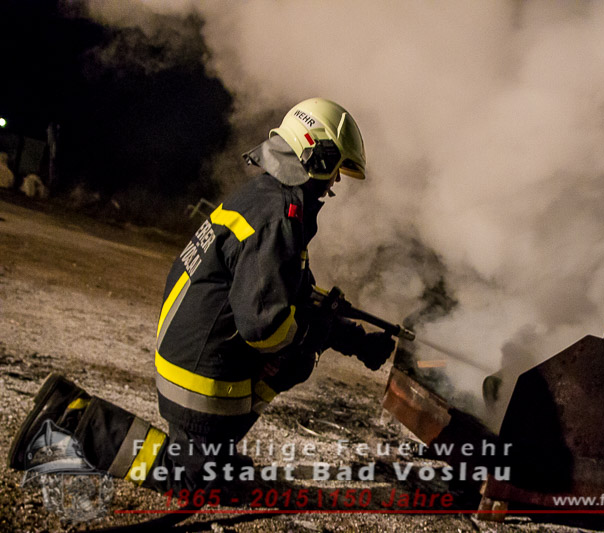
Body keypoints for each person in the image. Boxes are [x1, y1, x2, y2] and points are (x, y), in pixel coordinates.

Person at [7, 98, 396, 497]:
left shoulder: (263, 196)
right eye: (336, 171)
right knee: (193, 479)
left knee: (297, 353)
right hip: (198, 378)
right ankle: (68, 420)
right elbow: (264, 326)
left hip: (190, 355)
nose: (335, 184)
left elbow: (296, 292)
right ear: (319, 157)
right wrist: (314, 332)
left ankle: (214, 450)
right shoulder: (278, 216)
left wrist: (355, 340)